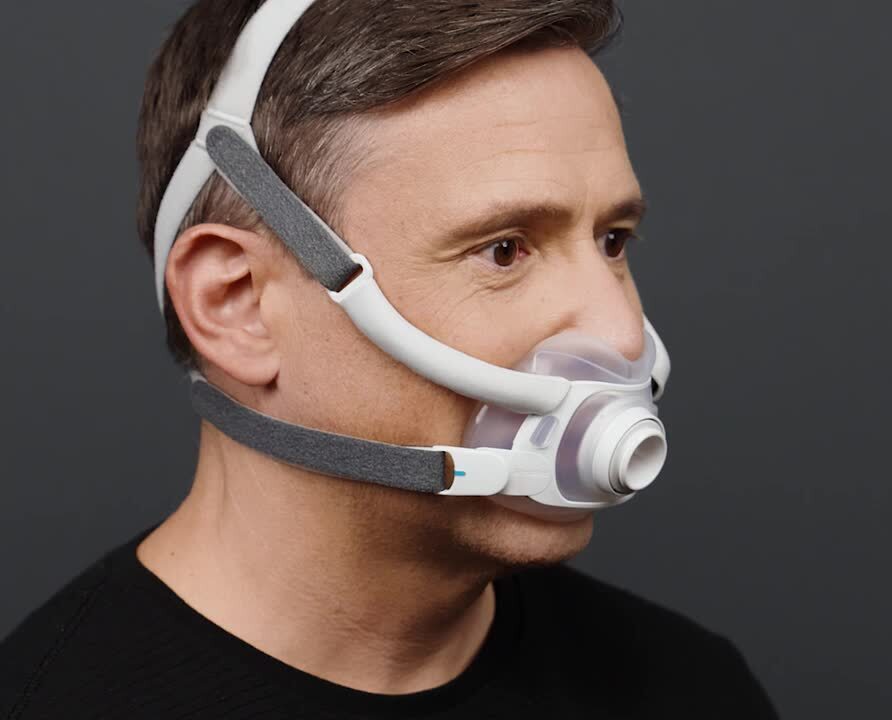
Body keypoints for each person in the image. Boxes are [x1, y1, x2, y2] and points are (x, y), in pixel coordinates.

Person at [0, 1, 778, 718]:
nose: (621, 332)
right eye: (504, 250)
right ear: (237, 304)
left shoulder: (692, 689)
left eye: (612, 241)